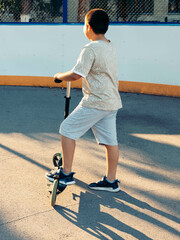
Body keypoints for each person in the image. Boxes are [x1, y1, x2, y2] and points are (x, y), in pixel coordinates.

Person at [45, 9, 122, 192]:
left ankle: (66, 173)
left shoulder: (91, 48)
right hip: (111, 101)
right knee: (111, 142)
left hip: (95, 102)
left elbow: (76, 75)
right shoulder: (109, 45)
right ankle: (111, 181)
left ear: (88, 27)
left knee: (67, 129)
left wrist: (58, 76)